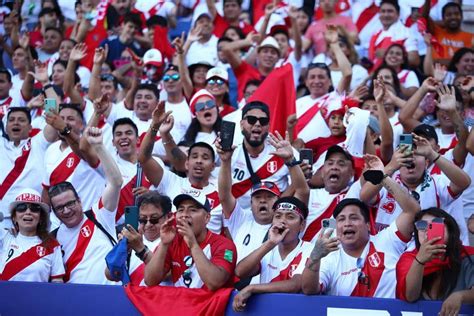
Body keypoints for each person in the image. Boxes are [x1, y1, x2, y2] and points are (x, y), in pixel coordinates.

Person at [302, 155, 421, 297]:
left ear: (368, 226)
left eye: (353, 218)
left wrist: (382, 176)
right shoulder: (330, 258)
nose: (347, 223)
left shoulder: (387, 241)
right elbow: (309, 289)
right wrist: (315, 257)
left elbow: (412, 211)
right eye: (341, 219)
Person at [218, 130, 309, 267]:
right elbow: (224, 195)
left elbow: (303, 191)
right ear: (250, 202)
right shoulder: (241, 218)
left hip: (271, 286)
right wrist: (225, 161)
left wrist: (290, 161)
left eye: (269, 197)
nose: (262, 200)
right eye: (258, 197)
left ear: (278, 202)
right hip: (238, 286)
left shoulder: (287, 225)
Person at [360, 133, 471, 242]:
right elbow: (364, 196)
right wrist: (390, 167)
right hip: (387, 252)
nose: (410, 159)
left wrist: (432, 154)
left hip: (426, 251)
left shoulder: (437, 182)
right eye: (405, 155)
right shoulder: (385, 181)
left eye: (416, 154)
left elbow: (464, 183)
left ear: (426, 162)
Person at [48, 127, 123, 285]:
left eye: (70, 203)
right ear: (53, 212)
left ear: (79, 200)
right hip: (74, 303)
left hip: (110, 298)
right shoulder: (52, 239)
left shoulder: (100, 215)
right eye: (60, 208)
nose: (67, 210)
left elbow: (116, 182)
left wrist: (99, 146)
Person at [138, 105, 223, 233]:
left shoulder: (222, 191)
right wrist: (155, 126)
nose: (199, 161)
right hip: (172, 249)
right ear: (187, 164)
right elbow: (144, 158)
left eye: (205, 157)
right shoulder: (172, 182)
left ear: (213, 166)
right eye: (194, 156)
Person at [232, 196, 313, 312]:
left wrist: (252, 288)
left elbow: (296, 284)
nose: (282, 221)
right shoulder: (268, 248)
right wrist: (270, 243)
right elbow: (240, 272)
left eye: (290, 217)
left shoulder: (310, 249)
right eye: (278, 216)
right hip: (267, 310)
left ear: (302, 225)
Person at [144, 193, 237, 291]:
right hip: (182, 304)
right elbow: (150, 281)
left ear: (207, 218)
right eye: (180, 210)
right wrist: (164, 243)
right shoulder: (172, 241)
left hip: (214, 305)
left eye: (193, 210)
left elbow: (214, 282)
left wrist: (193, 245)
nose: (184, 215)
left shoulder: (225, 245)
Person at [396, 208, 474, 316]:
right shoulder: (408, 259)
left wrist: (461, 296)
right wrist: (419, 261)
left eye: (437, 223)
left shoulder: (469, 255)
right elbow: (410, 296)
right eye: (422, 225)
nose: (428, 229)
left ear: (450, 229)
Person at [0, 107, 59, 229]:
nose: (16, 122)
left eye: (21, 120)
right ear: (6, 127)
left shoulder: (38, 142)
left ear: (30, 127)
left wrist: (46, 87)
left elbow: (53, 119)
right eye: (11, 120)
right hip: (2, 219)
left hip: (32, 217)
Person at [229, 101, 293, 210]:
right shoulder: (230, 153)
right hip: (238, 221)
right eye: (251, 120)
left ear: (268, 126)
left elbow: (301, 185)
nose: (257, 124)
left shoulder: (283, 150)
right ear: (241, 124)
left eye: (263, 121)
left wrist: (278, 206)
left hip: (275, 219)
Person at [107, 191, 172, 285]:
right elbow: (110, 275)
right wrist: (122, 250)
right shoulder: (133, 238)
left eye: (154, 219)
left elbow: (166, 274)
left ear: (168, 217)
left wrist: (140, 249)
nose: (148, 224)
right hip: (128, 297)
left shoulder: (174, 241)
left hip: (156, 298)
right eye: (143, 220)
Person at [0, 188, 64, 282]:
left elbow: (57, 282)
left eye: (34, 208)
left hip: (38, 297)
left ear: (41, 217)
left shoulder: (52, 246)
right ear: (14, 217)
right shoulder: (4, 238)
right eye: (21, 208)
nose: (28, 212)